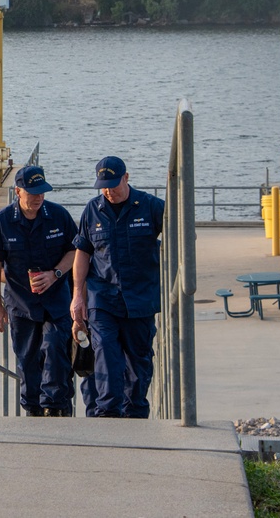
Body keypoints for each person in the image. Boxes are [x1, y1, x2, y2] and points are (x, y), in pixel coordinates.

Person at [71, 156, 165, 418]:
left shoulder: (151, 207)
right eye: (103, 186)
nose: (108, 191)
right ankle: (107, 414)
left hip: (140, 300)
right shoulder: (92, 210)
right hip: (103, 299)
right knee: (106, 356)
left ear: (126, 177)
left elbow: (182, 234)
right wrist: (78, 296)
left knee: (139, 365)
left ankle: (135, 416)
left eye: (113, 184)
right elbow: (82, 253)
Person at [0, 165, 78, 417]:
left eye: (42, 193)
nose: (37, 198)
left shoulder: (58, 216)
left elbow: (75, 251)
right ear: (17, 191)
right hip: (21, 305)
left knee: (55, 348)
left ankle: (56, 407)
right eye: (32, 193)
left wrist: (56, 273)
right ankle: (34, 410)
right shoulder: (3, 222)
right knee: (27, 361)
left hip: (56, 302)